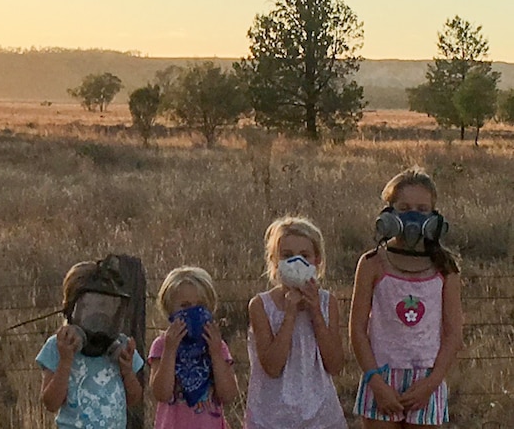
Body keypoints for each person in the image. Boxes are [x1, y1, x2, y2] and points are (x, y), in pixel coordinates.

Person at [349, 166, 464, 427]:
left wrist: (431, 385)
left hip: (427, 380)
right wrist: (375, 382)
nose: (414, 216)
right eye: (404, 208)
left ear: (434, 216)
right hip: (380, 376)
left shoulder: (445, 267)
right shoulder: (372, 263)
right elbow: (357, 329)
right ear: (389, 213)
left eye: (423, 210)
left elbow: (454, 333)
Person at [245, 216, 347, 429]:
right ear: (275, 261)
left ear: (317, 260)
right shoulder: (261, 305)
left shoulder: (328, 303)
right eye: (287, 256)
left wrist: (316, 313)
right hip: (272, 417)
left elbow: (335, 364)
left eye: (304, 255)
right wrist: (290, 314)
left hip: (321, 415)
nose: (296, 262)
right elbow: (272, 366)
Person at [36, 256, 144, 428]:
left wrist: (127, 370)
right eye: (91, 306)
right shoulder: (58, 346)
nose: (100, 314)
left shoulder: (120, 347)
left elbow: (134, 398)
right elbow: (51, 403)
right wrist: (65, 361)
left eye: (106, 305)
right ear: (71, 309)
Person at [149, 266, 240, 429]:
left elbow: (228, 395)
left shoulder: (217, 345)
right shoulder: (162, 345)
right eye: (185, 305)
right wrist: (170, 351)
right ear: (170, 309)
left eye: (200, 305)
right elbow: (161, 393)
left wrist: (216, 353)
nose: (193, 311)